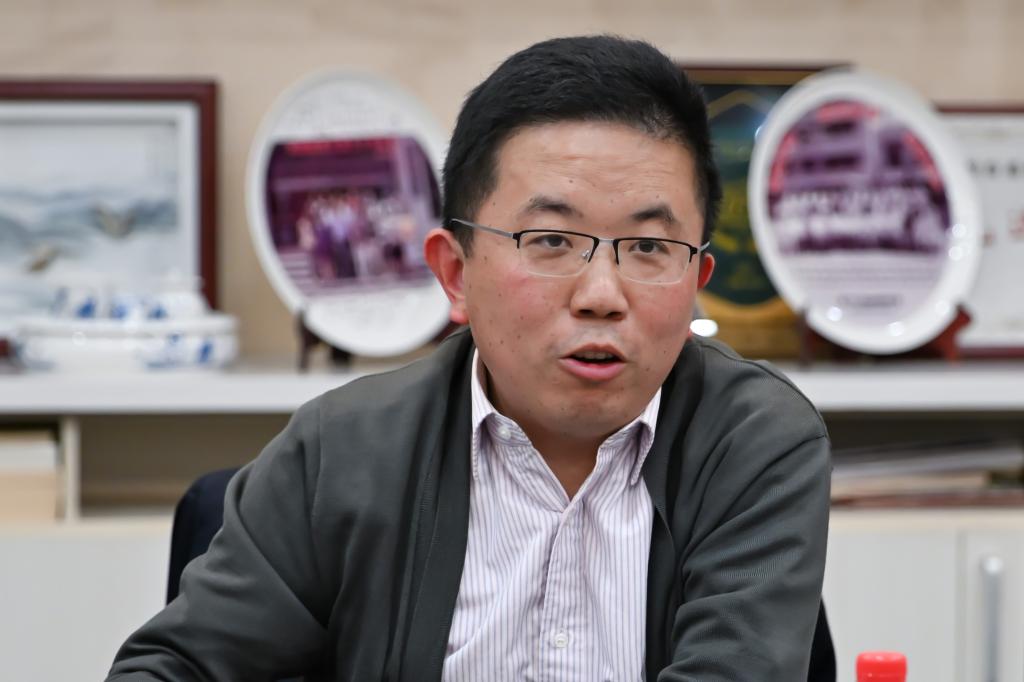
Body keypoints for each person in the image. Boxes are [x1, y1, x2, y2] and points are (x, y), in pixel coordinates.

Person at [107, 35, 830, 681]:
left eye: (649, 247)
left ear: (697, 279)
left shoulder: (752, 443)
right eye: (552, 241)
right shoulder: (339, 450)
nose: (602, 296)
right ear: (455, 274)